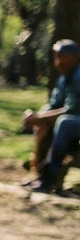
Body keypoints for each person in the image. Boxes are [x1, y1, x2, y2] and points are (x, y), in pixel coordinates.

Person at [22, 39, 80, 192]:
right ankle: (38, 173)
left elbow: (72, 109)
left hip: (74, 121)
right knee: (45, 122)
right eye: (56, 57)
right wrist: (37, 116)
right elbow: (55, 104)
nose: (57, 62)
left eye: (60, 57)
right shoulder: (64, 78)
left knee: (64, 123)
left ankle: (49, 179)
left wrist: (41, 117)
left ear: (71, 58)